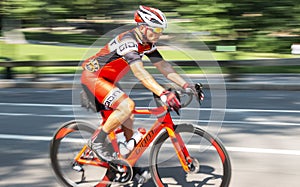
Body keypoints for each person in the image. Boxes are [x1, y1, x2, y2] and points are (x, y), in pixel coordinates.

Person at [81, 5, 195, 164]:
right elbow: (140, 72)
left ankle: (127, 165)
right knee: (127, 106)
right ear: (142, 27)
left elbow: (163, 65)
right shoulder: (128, 42)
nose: (159, 34)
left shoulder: (147, 43)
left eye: (161, 31)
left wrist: (186, 86)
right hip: (93, 77)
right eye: (155, 30)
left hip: (109, 80)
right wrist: (163, 93)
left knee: (129, 117)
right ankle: (97, 141)